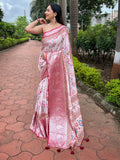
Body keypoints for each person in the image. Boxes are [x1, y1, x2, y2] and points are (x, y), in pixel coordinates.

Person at [25, 3, 86, 154]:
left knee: (57, 97)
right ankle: (45, 125)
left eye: (47, 10)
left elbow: (65, 53)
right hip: (46, 68)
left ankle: (59, 124)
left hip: (58, 70)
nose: (45, 12)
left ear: (55, 13)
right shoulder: (44, 27)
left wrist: (52, 57)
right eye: (46, 10)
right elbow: (28, 29)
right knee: (44, 94)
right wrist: (38, 20)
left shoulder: (63, 30)